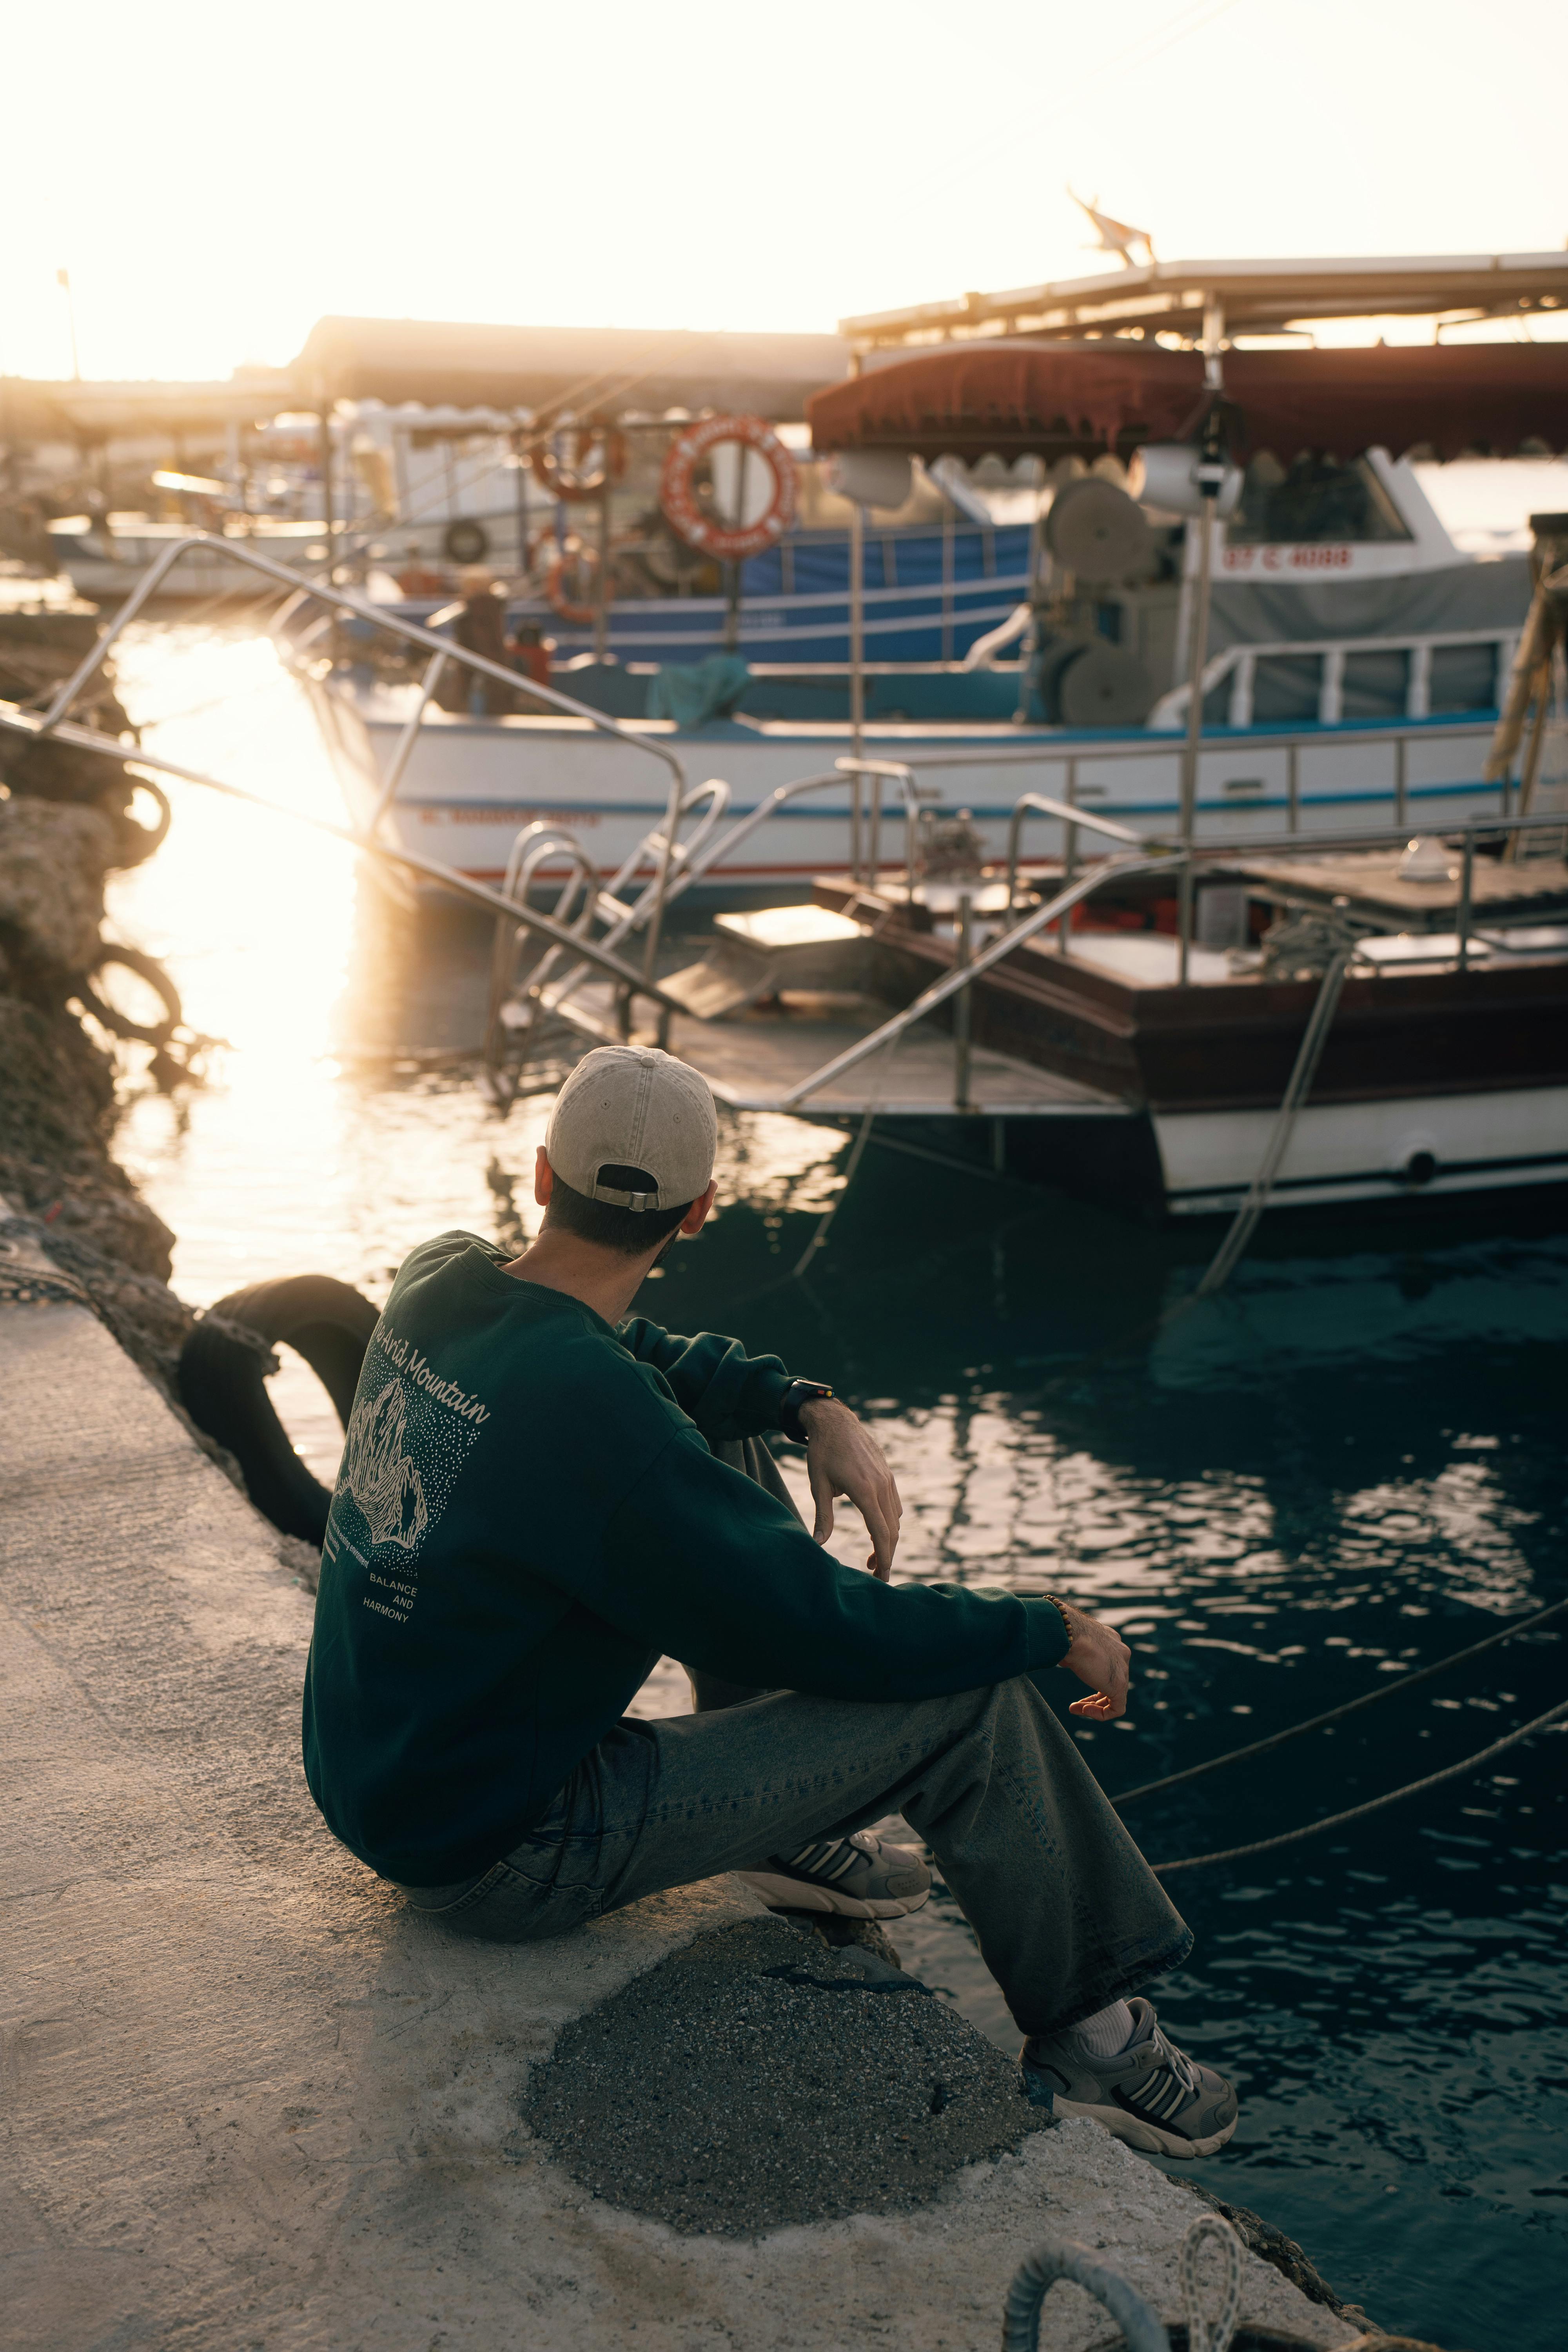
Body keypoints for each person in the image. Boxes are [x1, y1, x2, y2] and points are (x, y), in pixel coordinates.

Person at [303, 1047, 1239, 2160]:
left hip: (382, 1776)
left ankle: (789, 1838)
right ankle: (1098, 2040)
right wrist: (1051, 1624)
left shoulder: (438, 1274)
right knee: (974, 1704)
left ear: (545, 1176)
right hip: (501, 1851)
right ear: (703, 1211)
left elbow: (621, 1355)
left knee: (720, 1426)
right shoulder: (610, 1431)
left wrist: (803, 1405)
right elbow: (835, 1627)